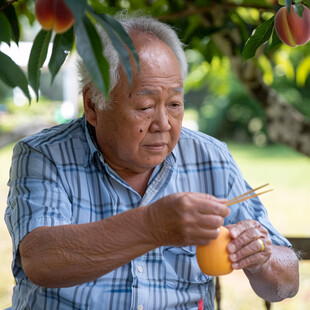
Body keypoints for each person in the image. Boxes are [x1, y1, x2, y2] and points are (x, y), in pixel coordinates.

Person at [5, 12, 299, 310]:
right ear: (92, 105)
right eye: (145, 106)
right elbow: (41, 260)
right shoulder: (45, 155)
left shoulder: (210, 157)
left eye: (174, 104)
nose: (164, 123)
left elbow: (286, 282)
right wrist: (152, 226)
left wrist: (261, 257)